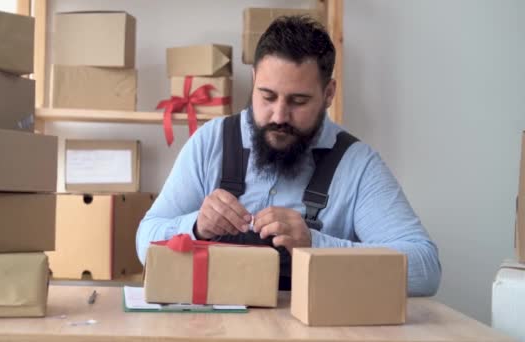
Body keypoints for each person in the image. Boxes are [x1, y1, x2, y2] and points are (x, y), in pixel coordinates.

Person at [136, 15, 441, 296]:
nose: (279, 115)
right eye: (267, 96)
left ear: (329, 94)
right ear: (254, 79)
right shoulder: (210, 142)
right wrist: (195, 226)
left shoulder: (357, 164)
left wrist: (314, 245)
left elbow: (425, 271)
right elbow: (143, 243)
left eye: (299, 100)